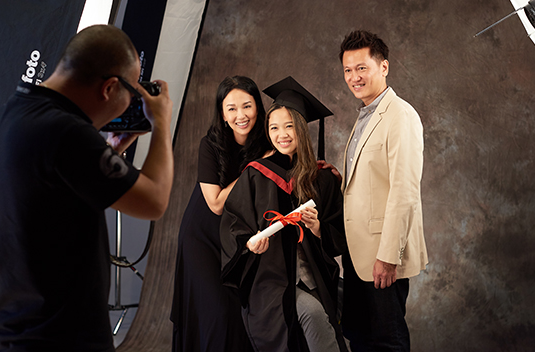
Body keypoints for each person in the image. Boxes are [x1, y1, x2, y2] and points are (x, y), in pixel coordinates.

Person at [0, 25, 174, 352]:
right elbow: (154, 201)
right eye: (132, 94)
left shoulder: (10, 114)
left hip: (10, 333)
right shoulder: (65, 132)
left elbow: (50, 193)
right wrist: (161, 124)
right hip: (62, 336)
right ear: (110, 88)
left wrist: (109, 151)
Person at [220, 77, 348, 352]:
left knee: (346, 314)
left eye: (289, 126)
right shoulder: (257, 174)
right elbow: (234, 224)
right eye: (274, 127)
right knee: (312, 316)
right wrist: (249, 243)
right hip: (272, 279)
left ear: (301, 129)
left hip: (314, 276)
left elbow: (340, 233)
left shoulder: (322, 178)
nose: (282, 134)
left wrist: (317, 228)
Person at [338, 30, 428, 352]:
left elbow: (404, 192)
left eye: (362, 68)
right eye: (348, 70)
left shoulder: (399, 115)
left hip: (382, 255)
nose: (354, 77)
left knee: (386, 341)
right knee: (362, 337)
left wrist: (388, 257)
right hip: (359, 253)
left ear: (384, 67)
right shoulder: (366, 114)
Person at [170, 76, 270, 352]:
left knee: (238, 315)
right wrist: (255, 167)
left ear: (258, 108)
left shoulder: (267, 142)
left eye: (247, 106)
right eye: (232, 109)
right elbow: (215, 203)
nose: (241, 115)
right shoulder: (210, 144)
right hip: (202, 238)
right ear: (223, 115)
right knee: (216, 314)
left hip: (236, 242)